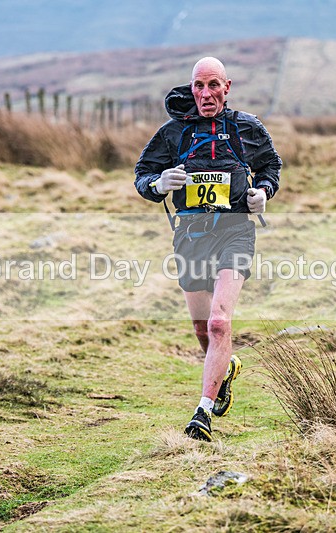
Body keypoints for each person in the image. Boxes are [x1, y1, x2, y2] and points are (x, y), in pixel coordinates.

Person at [134, 57, 282, 441]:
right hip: (190, 236)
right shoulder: (173, 133)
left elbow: (271, 168)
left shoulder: (247, 128)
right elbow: (142, 177)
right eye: (199, 86)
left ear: (227, 87)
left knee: (219, 322)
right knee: (202, 329)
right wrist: (160, 182)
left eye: (213, 85)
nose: (206, 94)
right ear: (191, 88)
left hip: (235, 232)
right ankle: (225, 365)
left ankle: (202, 413)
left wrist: (262, 194)